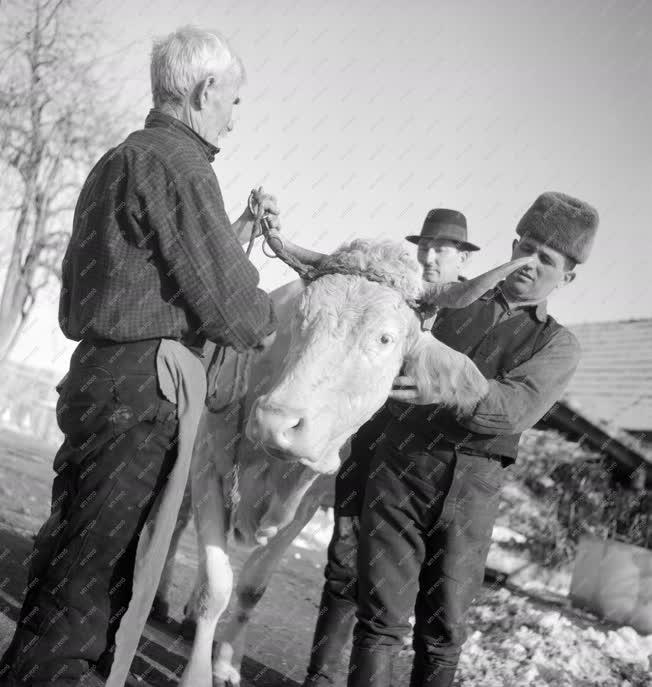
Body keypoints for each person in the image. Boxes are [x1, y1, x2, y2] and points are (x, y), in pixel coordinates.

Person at [0, 26, 279, 686]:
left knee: (69, 560)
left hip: (103, 377)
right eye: (234, 102)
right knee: (93, 582)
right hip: (143, 390)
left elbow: (156, 275)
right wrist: (273, 313)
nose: (235, 120)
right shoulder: (181, 166)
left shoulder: (123, 159)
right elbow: (236, 311)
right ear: (207, 89)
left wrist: (232, 235)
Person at [345, 191, 598, 686]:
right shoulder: (444, 302)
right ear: (511, 245)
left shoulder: (558, 345)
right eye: (524, 248)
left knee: (444, 632)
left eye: (545, 259)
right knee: (379, 618)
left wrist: (444, 383)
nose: (529, 263)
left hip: (472, 491)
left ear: (567, 276)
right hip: (400, 469)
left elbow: (511, 409)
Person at [303, 209, 480, 686]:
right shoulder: (389, 297)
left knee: (403, 605)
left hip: (423, 475)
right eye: (424, 245)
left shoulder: (470, 314)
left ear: (463, 257)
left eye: (442, 248)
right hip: (367, 456)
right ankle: (319, 676)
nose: (429, 255)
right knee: (342, 571)